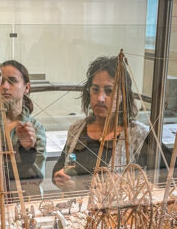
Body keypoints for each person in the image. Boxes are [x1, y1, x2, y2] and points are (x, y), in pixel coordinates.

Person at [52, 56, 148, 191]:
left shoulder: (138, 134)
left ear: (123, 95)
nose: (100, 98)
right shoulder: (77, 129)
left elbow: (166, 174)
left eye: (109, 91)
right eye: (95, 89)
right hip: (76, 207)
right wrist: (60, 178)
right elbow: (60, 167)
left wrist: (127, 183)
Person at [0, 60, 46, 196]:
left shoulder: (36, 128)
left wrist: (28, 150)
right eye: (0, 81)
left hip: (26, 196)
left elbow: (37, 175)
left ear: (26, 88)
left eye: (12, 81)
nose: (5, 87)